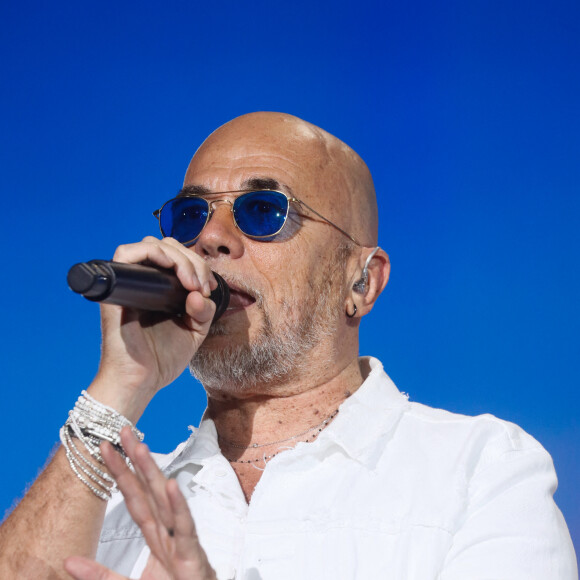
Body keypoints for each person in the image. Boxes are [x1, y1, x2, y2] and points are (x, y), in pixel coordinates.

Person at [0, 112, 576, 580]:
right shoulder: (113, 503)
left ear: (362, 282)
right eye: (190, 214)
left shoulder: (480, 472)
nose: (211, 239)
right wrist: (120, 387)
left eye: (262, 211)